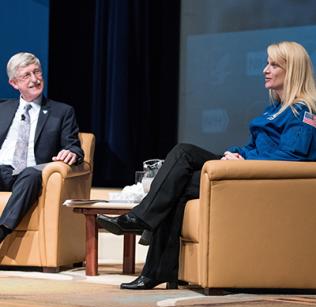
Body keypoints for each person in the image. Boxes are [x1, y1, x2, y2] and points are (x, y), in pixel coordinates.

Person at [97, 41, 316, 290]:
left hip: (256, 183)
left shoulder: (303, 113)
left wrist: (245, 162)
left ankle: (141, 219)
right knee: (179, 177)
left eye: (274, 65)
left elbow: (291, 158)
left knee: (182, 158)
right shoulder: (274, 110)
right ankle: (154, 270)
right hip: (246, 172)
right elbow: (256, 148)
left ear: (293, 71)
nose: (265, 69)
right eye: (267, 63)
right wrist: (235, 153)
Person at [0, 52, 83, 243]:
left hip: (29, 175)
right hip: (2, 169)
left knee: (31, 173)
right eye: (26, 75)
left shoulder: (62, 112)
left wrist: (72, 152)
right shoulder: (2, 109)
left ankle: (2, 231)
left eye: (37, 72)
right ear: (14, 83)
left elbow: (74, 146)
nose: (35, 79)